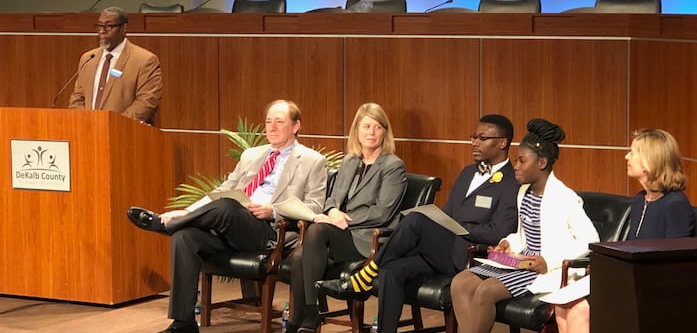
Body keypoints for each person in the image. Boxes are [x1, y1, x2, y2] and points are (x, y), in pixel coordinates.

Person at [126, 100, 327, 333]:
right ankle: (184, 323)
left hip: (269, 230)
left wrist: (272, 210)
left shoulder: (312, 160)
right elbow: (223, 190)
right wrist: (187, 211)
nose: (271, 127)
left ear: (295, 126)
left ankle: (165, 226)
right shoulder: (251, 155)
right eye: (268, 122)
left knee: (228, 207)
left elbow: (314, 207)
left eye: (279, 122)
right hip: (230, 225)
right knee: (185, 236)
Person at [317, 114, 520, 333]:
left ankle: (367, 273)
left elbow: (498, 232)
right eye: (473, 136)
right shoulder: (468, 172)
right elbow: (447, 213)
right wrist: (443, 222)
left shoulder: (512, 182)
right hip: (441, 250)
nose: (474, 142)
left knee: (415, 220)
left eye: (482, 138)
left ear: (502, 143)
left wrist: (459, 227)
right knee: (391, 270)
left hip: (470, 255)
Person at [450, 119, 599, 333]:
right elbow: (523, 235)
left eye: (521, 161)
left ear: (541, 163)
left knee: (486, 291)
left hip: (543, 269)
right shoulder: (523, 192)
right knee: (461, 282)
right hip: (520, 262)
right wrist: (506, 243)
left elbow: (590, 239)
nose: (516, 167)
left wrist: (548, 261)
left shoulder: (564, 197)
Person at [551, 128, 695, 333]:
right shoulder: (640, 200)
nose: (626, 156)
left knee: (578, 311)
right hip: (627, 281)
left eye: (633, 152)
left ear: (650, 159)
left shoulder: (675, 204)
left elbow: (674, 263)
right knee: (562, 305)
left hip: (651, 288)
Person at [287, 103, 407, 333]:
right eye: (366, 126)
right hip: (341, 233)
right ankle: (302, 320)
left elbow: (383, 212)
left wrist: (344, 219)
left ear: (385, 131)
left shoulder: (393, 166)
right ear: (357, 132)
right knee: (299, 256)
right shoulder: (350, 161)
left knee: (318, 231)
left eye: (377, 127)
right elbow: (332, 199)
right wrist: (332, 212)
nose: (371, 132)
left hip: (366, 238)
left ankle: (309, 316)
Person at [68, 6, 162, 124]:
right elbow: (78, 98)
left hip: (124, 134)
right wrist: (86, 121)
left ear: (123, 28)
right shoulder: (88, 58)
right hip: (90, 132)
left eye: (108, 26)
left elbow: (147, 102)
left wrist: (115, 124)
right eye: (99, 26)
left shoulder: (145, 60)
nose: (102, 31)